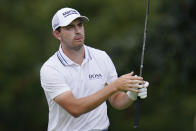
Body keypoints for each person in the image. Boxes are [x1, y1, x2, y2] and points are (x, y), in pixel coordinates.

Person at [40, 7, 149, 131]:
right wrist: (115, 86)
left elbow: (117, 101)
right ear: (57, 34)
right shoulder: (51, 68)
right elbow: (75, 109)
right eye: (70, 27)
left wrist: (132, 94)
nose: (77, 31)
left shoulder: (101, 57)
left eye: (80, 25)